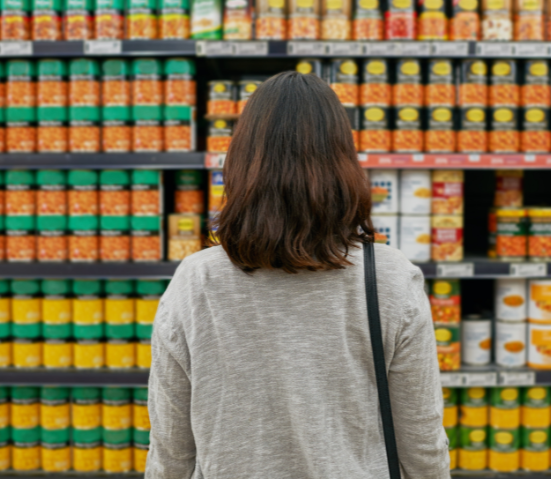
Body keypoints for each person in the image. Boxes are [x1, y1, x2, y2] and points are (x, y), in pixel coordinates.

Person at [146, 71, 449, 479]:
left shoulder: (196, 281)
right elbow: (422, 444)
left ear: (239, 161)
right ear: (343, 162)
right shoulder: (391, 279)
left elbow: (170, 452)